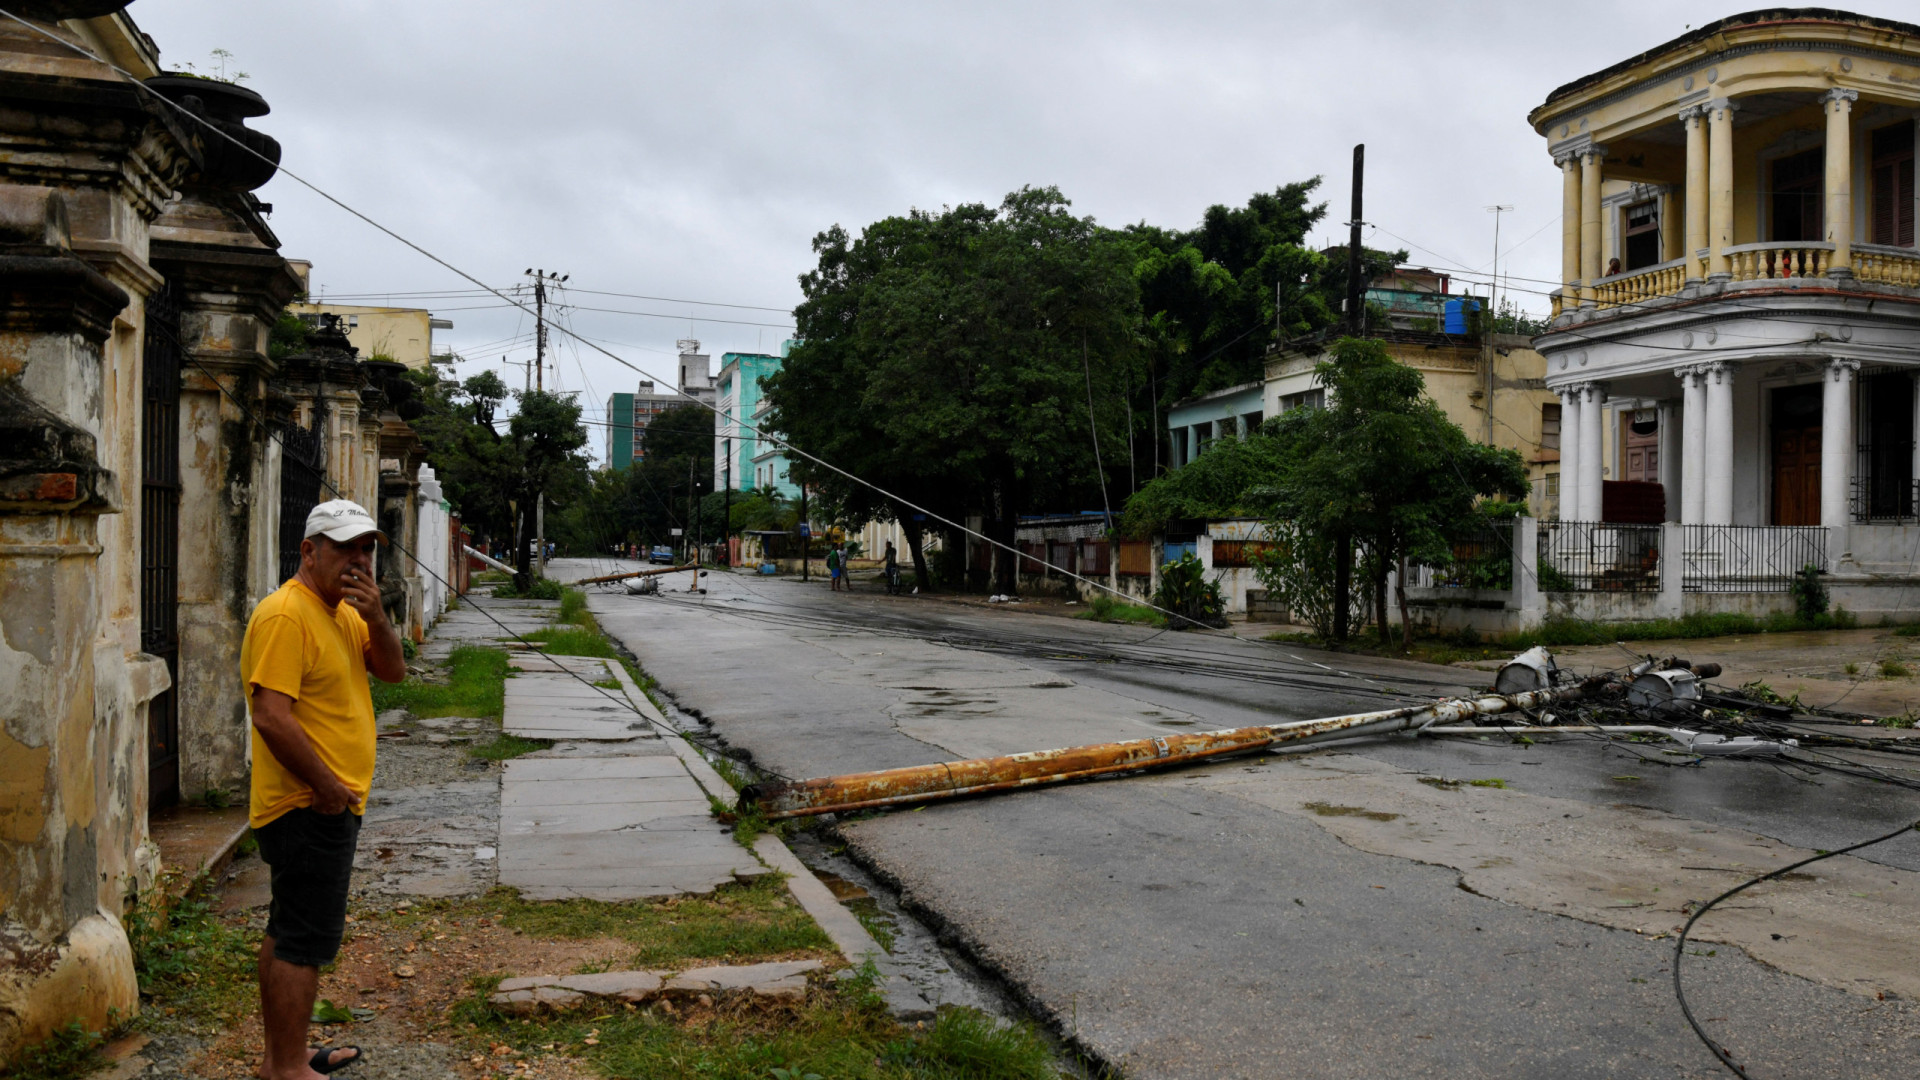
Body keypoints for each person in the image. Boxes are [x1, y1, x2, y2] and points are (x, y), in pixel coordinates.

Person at [241, 500, 406, 1079]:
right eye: (344, 548)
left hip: (320, 805)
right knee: (304, 941)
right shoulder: (288, 614)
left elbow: (392, 672)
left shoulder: (343, 612)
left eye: (366, 548)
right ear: (309, 551)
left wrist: (380, 618)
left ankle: (279, 1059)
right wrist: (330, 790)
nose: (358, 560)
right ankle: (288, 1070)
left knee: (288, 928)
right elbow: (270, 716)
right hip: (306, 807)